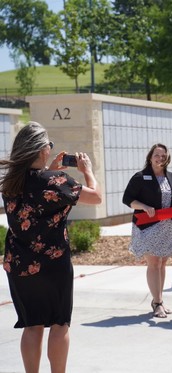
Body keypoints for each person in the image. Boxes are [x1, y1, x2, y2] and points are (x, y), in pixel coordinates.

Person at [1, 122, 102, 373]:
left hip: (19, 263)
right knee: (59, 324)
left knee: (31, 325)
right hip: (52, 264)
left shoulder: (10, 184)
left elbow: (37, 190)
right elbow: (96, 197)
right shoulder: (56, 181)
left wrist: (52, 171)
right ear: (41, 150)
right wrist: (87, 171)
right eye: (49, 145)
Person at [123, 143, 172, 318]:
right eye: (157, 155)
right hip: (148, 226)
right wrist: (144, 206)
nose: (160, 158)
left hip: (168, 227)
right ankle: (157, 302)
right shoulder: (140, 177)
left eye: (163, 156)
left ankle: (159, 299)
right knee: (153, 264)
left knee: (162, 263)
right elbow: (128, 199)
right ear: (150, 157)